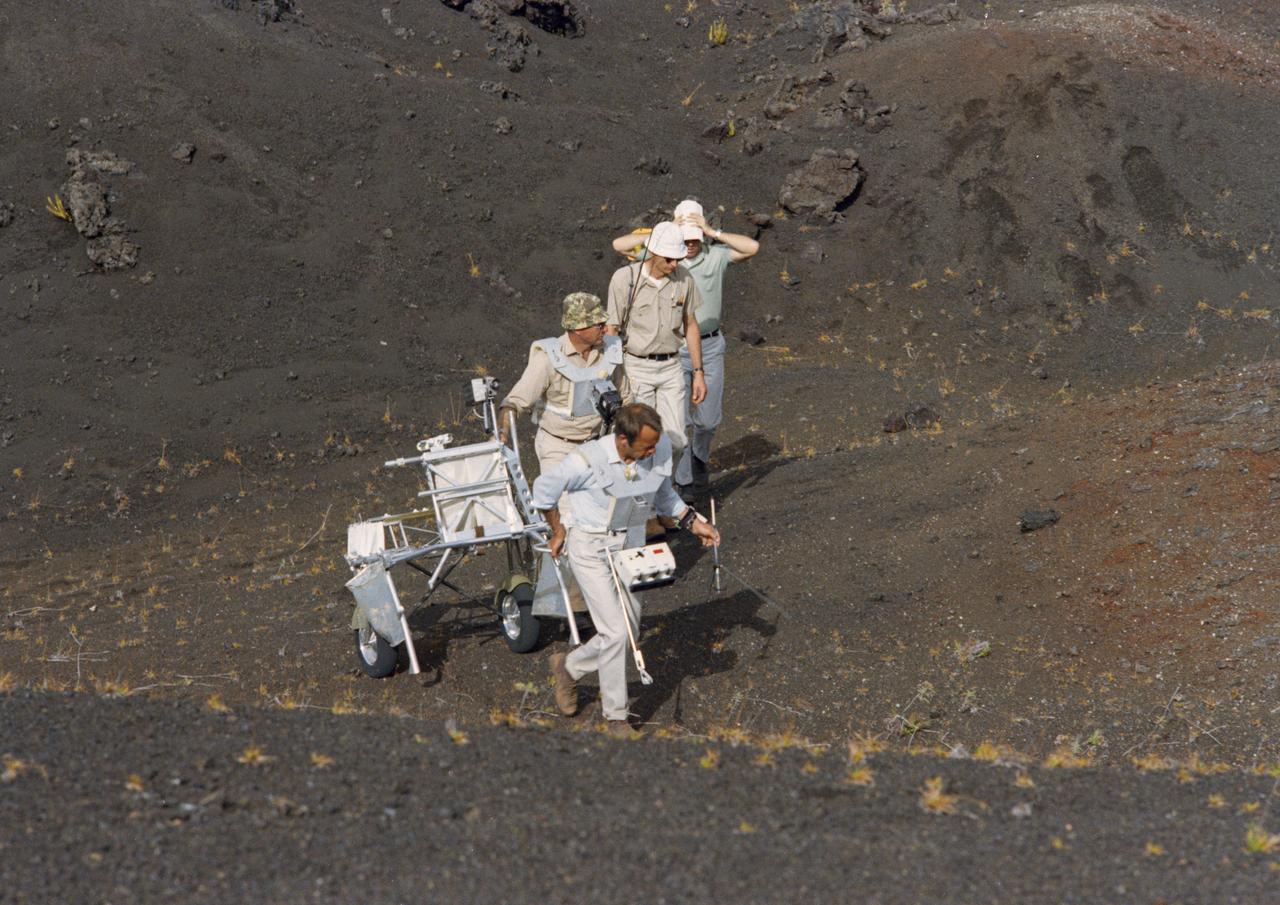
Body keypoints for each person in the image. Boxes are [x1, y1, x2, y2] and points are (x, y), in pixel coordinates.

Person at [533, 403, 720, 738]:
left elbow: (663, 495)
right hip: (591, 548)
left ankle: (569, 667)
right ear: (622, 440)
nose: (653, 452)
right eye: (646, 446)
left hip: (631, 546)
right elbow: (544, 490)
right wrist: (558, 530)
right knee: (616, 633)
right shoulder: (586, 460)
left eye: (655, 444)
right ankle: (616, 717)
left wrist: (694, 523)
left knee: (627, 631)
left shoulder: (657, 449)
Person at [612, 199, 759, 492]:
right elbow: (619, 245)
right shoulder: (659, 261)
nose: (688, 246)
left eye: (694, 239)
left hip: (709, 345)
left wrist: (711, 231)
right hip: (670, 350)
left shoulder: (713, 258)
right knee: (673, 423)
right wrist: (664, 232)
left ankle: (697, 459)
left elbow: (752, 248)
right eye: (685, 240)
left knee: (706, 420)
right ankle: (682, 483)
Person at [605, 222, 707, 479]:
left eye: (678, 259)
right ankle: (641, 496)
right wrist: (612, 375)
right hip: (636, 368)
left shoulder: (684, 278)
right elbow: (611, 330)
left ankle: (662, 491)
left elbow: (691, 324)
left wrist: (698, 372)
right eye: (669, 259)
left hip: (671, 368)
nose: (674, 264)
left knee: (677, 442)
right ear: (653, 252)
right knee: (641, 439)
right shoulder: (625, 279)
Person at [498, 292, 628, 473]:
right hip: (558, 449)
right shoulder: (547, 359)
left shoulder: (610, 352)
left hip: (599, 444)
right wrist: (502, 432)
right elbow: (515, 402)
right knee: (563, 493)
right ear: (578, 328)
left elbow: (625, 396)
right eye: (599, 325)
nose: (605, 329)